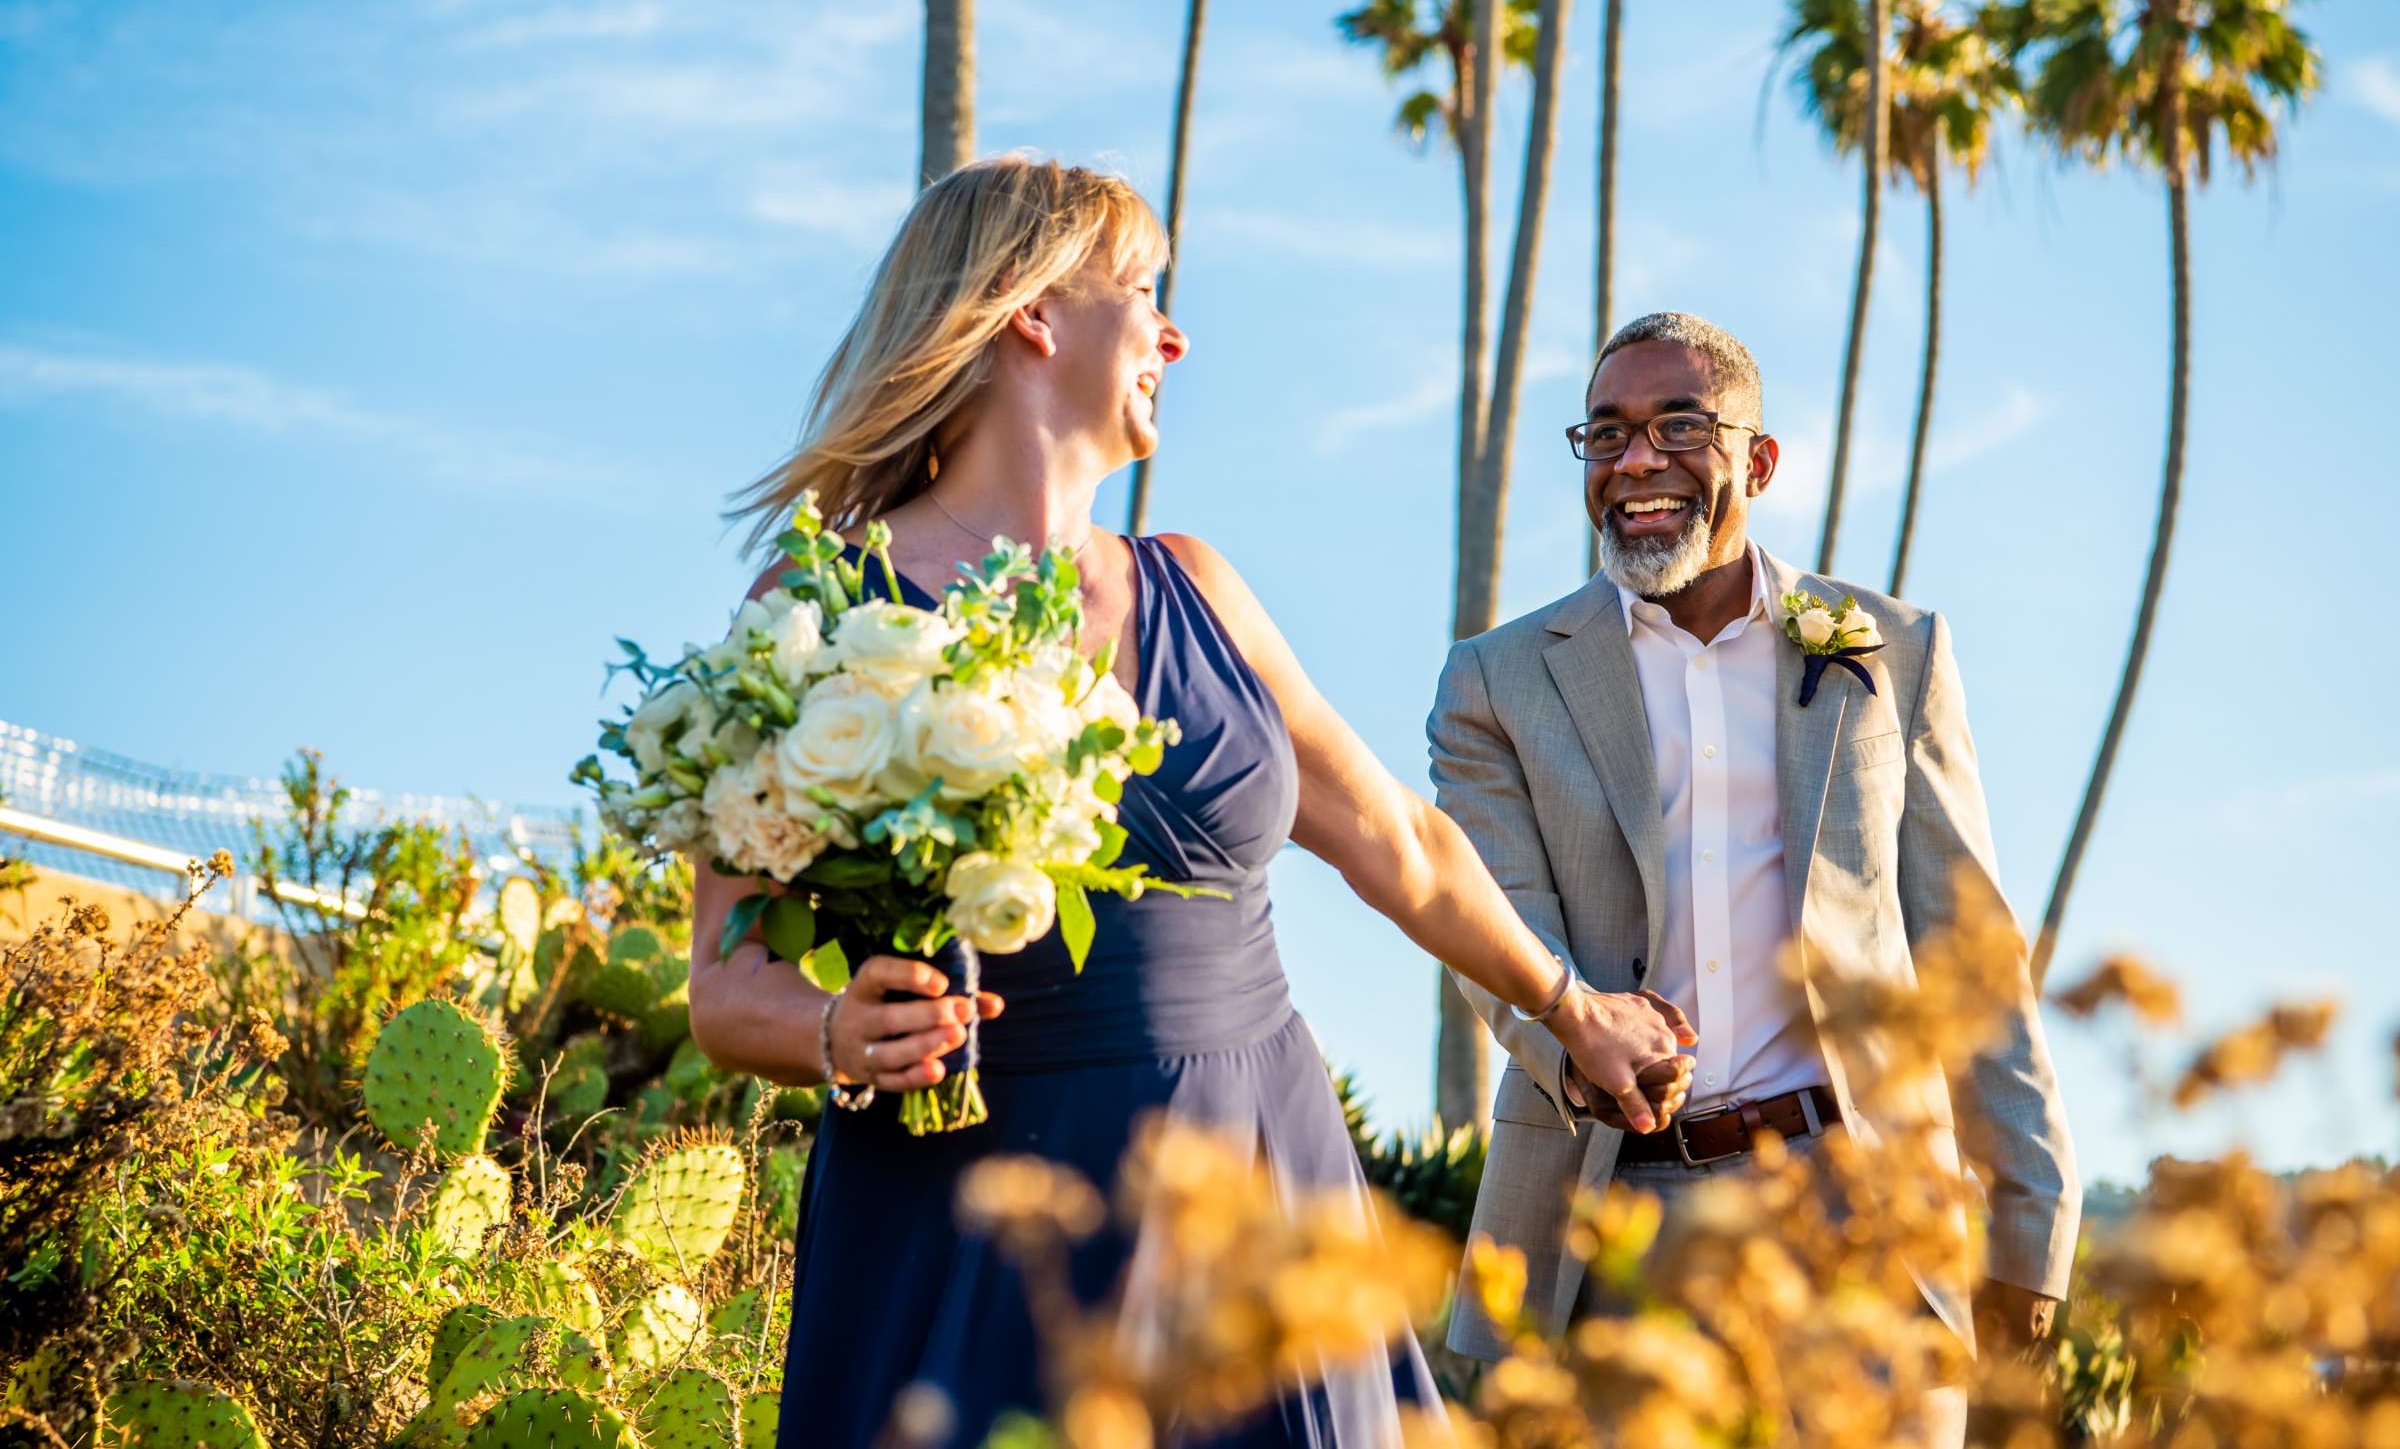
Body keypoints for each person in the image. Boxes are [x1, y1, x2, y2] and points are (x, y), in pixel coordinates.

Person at [683, 156, 1698, 1449]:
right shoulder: (816, 608)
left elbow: (1402, 846)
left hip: (1260, 1181)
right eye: (1143, 291)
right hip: (981, 1215)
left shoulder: (1198, 588)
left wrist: (1574, 1009)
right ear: (1032, 310)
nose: (1175, 333)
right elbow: (725, 982)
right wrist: (832, 1028)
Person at [1429, 311, 2079, 1447]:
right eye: (1607, 434)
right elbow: (1498, 932)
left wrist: (2032, 1220)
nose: (1637, 461)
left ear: (1758, 461)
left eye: (1681, 426)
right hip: (1608, 1221)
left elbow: (1968, 953)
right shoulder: (1495, 684)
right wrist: (1578, 1041)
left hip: (1863, 1209)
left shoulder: (1890, 651)